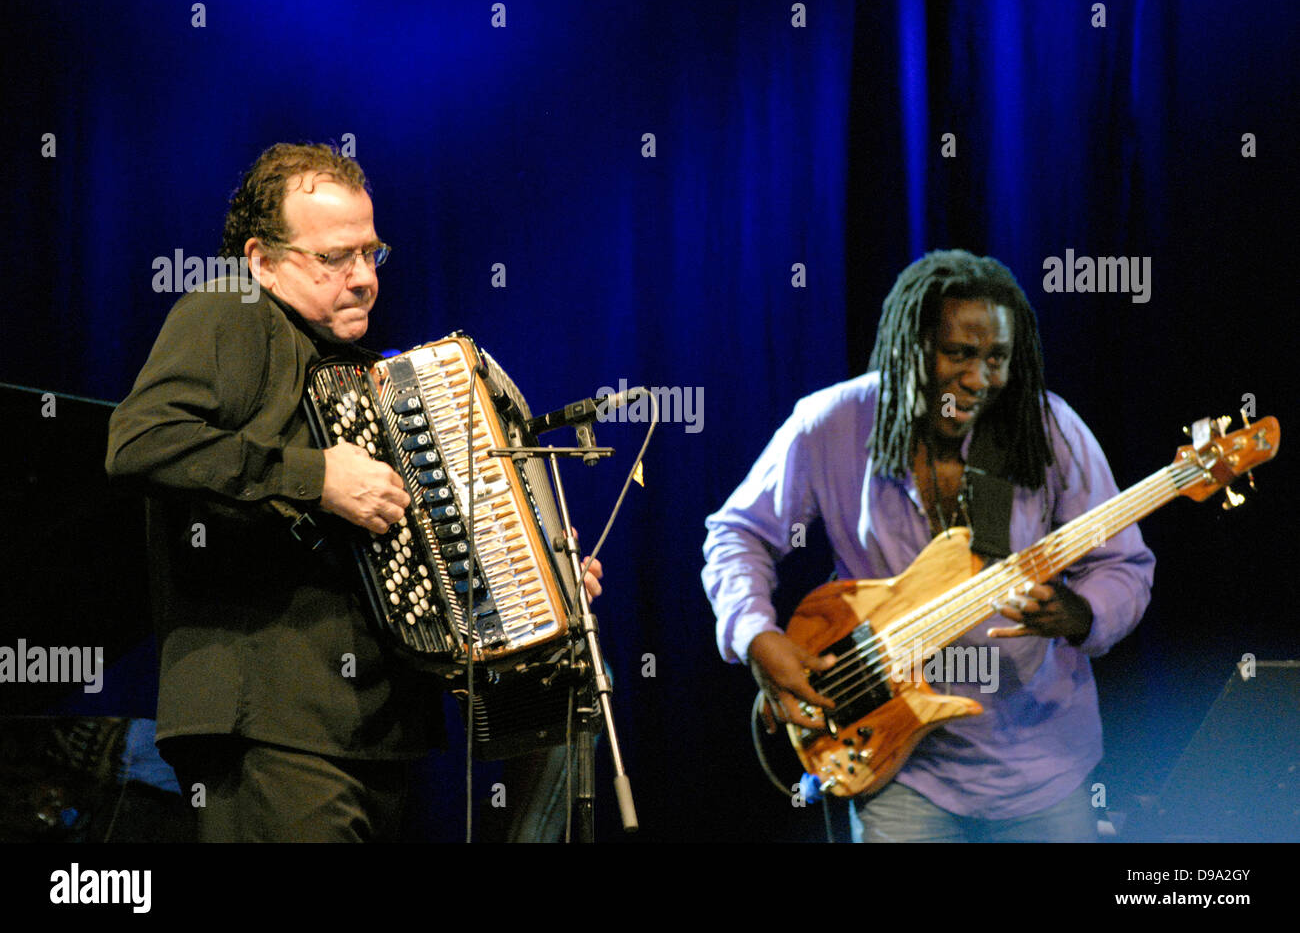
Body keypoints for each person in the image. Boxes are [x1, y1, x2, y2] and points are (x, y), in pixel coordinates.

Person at [106, 142, 601, 841]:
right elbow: (141, 441)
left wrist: (537, 580)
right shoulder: (233, 311)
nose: (363, 277)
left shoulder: (375, 379)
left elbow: (432, 548)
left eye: (371, 254)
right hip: (272, 725)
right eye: (334, 258)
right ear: (262, 260)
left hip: (381, 736)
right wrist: (315, 477)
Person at [701, 249, 1154, 842]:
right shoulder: (830, 424)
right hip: (897, 765)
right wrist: (756, 636)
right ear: (906, 347)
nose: (979, 379)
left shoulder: (1046, 429)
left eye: (997, 358)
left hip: (1040, 762)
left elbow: (1122, 562)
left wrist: (1079, 613)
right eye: (958, 354)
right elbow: (738, 532)